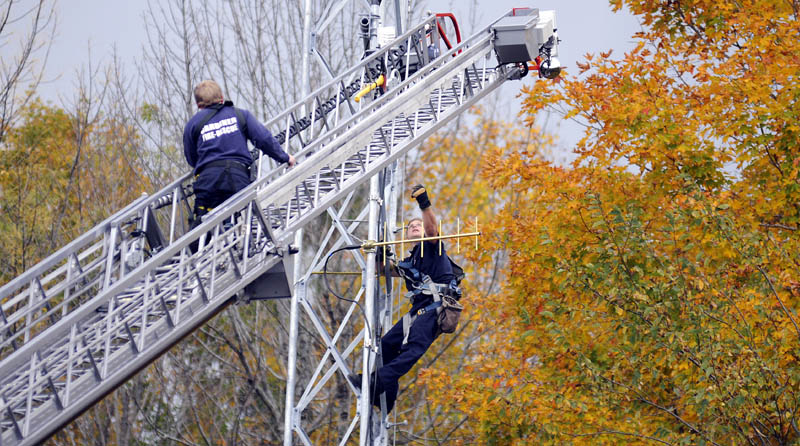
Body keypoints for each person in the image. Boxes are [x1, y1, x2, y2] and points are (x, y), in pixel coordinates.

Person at [357, 184, 462, 413]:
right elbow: (383, 269)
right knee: (385, 347)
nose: (415, 227)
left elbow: (433, 230)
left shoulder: (432, 248)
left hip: (436, 308)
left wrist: (423, 202)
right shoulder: (410, 261)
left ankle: (376, 381)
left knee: (413, 349)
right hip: (419, 310)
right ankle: (384, 395)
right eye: (410, 226)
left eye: (418, 225)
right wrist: (379, 254)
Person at [183, 80, 296, 240]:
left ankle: (200, 257)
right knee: (244, 217)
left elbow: (191, 157)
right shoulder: (240, 115)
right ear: (221, 97)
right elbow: (263, 139)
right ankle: (244, 246)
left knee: (203, 225)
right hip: (237, 177)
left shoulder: (193, 125)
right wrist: (285, 157)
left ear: (199, 105)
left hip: (208, 182)